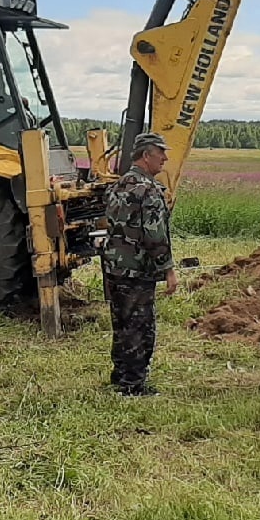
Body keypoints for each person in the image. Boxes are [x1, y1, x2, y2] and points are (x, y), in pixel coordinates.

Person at [102, 131, 178, 395]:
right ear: (146, 155)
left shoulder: (118, 185)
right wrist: (168, 269)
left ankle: (120, 375)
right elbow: (154, 236)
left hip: (114, 268)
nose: (165, 159)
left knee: (121, 324)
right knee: (139, 327)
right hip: (136, 272)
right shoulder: (149, 190)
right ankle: (133, 385)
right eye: (161, 153)